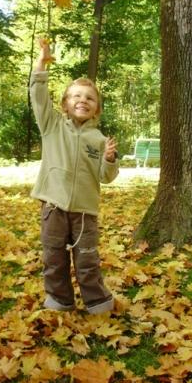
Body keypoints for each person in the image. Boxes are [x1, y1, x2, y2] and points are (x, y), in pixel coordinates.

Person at [30, 39, 119, 314]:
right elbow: (38, 96)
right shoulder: (52, 125)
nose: (83, 101)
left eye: (90, 98)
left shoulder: (100, 139)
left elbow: (106, 177)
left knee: (87, 260)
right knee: (54, 258)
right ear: (65, 105)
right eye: (76, 97)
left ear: (97, 109)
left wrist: (109, 160)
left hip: (84, 213)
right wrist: (41, 65)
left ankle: (97, 302)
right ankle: (60, 301)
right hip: (53, 208)